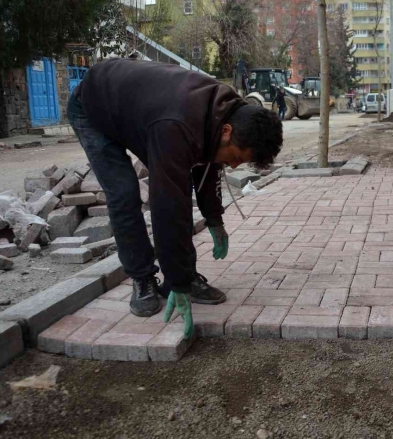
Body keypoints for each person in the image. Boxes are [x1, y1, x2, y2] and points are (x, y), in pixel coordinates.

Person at [70, 59, 283, 337]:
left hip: (141, 109)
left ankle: (183, 275)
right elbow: (169, 206)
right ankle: (143, 278)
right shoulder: (176, 126)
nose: (232, 167)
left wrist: (213, 217)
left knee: (178, 185)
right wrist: (178, 281)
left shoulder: (226, 114)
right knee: (124, 194)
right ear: (228, 132)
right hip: (94, 107)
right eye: (236, 158)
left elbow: (207, 166)